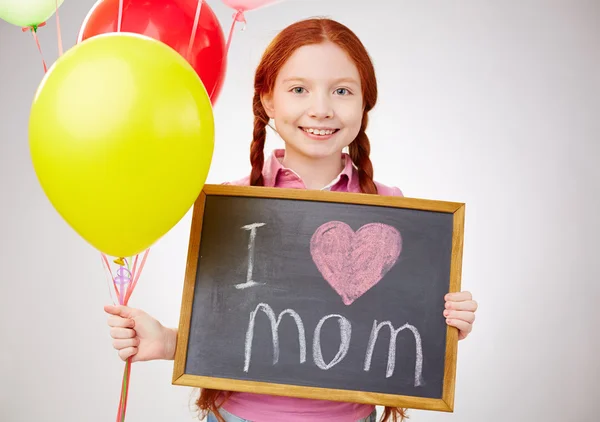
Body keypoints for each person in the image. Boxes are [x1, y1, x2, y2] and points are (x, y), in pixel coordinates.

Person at [104, 17, 479, 422]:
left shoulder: (391, 211)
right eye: (299, 89)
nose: (321, 109)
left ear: (364, 101)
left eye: (342, 91)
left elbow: (403, 332)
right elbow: (227, 329)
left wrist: (444, 322)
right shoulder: (231, 204)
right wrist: (166, 342)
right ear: (268, 101)